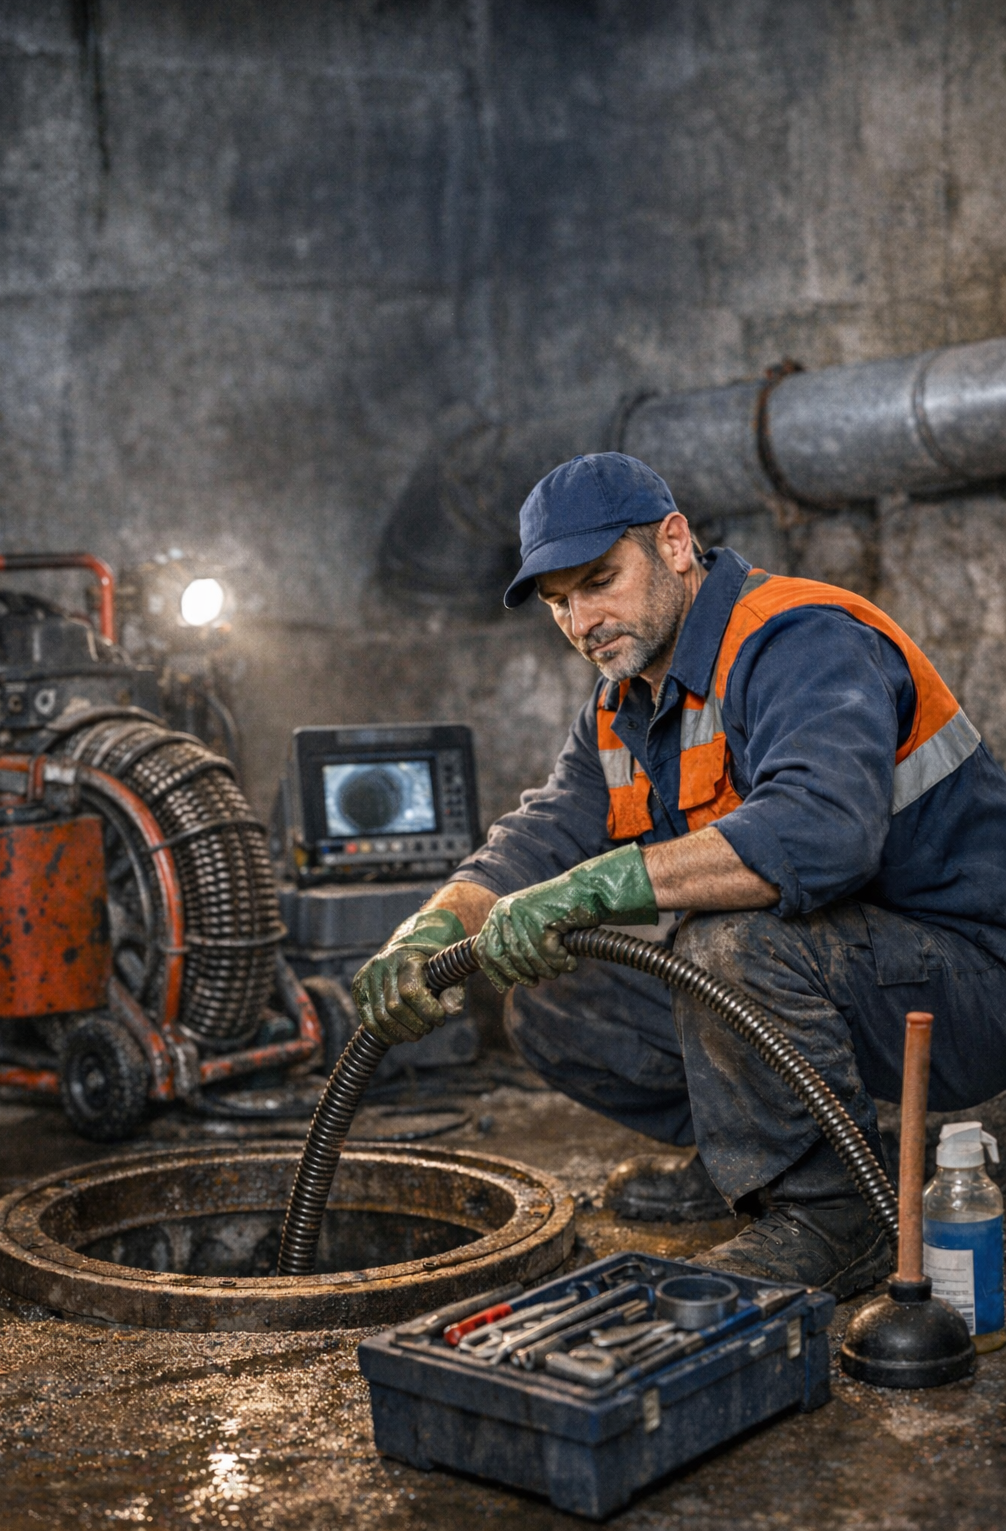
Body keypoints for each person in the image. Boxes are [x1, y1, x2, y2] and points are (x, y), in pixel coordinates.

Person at [352, 452, 1006, 1298]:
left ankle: (837, 1214)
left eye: (600, 581)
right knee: (552, 998)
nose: (583, 621)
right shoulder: (621, 705)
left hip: (970, 988)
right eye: (560, 604)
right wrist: (435, 925)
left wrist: (595, 887)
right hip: (854, 978)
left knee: (723, 942)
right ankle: (752, 1165)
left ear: (674, 542)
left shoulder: (799, 638)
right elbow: (544, 832)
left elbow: (823, 835)